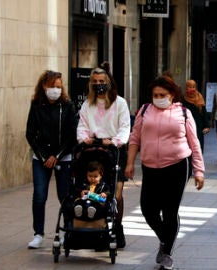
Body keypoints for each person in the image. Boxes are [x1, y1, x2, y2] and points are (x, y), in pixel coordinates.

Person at [125, 75, 205, 270]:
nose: (158, 97)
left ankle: (167, 253)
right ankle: (165, 238)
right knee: (148, 209)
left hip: (177, 165)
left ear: (172, 95)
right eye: (155, 95)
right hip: (150, 167)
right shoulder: (144, 111)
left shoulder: (183, 113)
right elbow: (135, 138)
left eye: (163, 94)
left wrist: (199, 171)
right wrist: (129, 163)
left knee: (170, 211)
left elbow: (194, 143)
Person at [76, 62, 130, 248]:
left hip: (114, 150)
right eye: (95, 81)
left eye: (101, 81)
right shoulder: (87, 105)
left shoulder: (120, 103)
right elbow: (82, 126)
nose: (99, 84)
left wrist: (114, 141)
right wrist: (84, 138)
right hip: (93, 150)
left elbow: (124, 127)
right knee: (94, 189)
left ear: (108, 82)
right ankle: (95, 226)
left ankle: (117, 226)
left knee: (116, 192)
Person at [26, 70, 77, 248]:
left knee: (64, 195)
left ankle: (67, 231)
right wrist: (44, 156)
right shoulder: (36, 105)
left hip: (63, 157)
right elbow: (30, 134)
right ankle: (38, 233)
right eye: (51, 86)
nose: (55, 90)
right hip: (41, 158)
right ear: (43, 86)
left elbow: (72, 135)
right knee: (39, 195)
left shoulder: (68, 106)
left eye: (58, 86)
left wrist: (58, 156)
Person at [182, 79, 210, 152]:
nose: (191, 89)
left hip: (198, 128)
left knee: (198, 150)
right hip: (186, 128)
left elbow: (204, 113)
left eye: (193, 86)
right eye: (189, 87)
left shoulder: (199, 97)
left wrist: (207, 126)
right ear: (186, 88)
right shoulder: (182, 99)